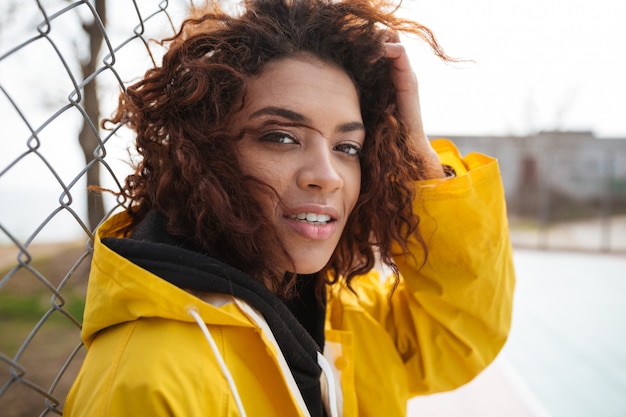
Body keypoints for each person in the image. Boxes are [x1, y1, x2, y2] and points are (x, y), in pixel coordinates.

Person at [64, 0, 515, 416]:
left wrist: (420, 164)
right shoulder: (148, 378)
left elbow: (459, 336)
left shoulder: (338, 308)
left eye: (347, 146)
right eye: (281, 137)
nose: (328, 174)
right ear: (204, 154)